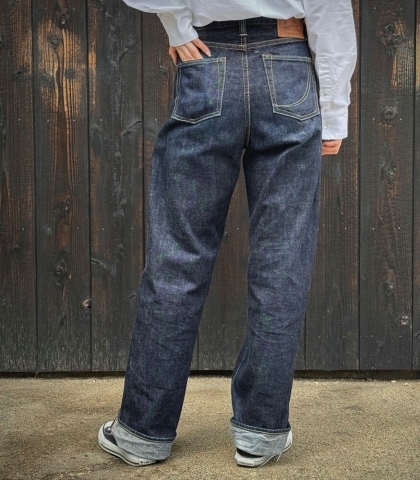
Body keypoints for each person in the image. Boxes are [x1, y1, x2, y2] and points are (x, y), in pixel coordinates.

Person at [98, 0, 357, 468]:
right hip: (288, 65)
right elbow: (330, 10)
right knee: (283, 261)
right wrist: (334, 111)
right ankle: (261, 432)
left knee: (178, 258)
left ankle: (141, 434)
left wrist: (178, 27)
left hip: (207, 60)